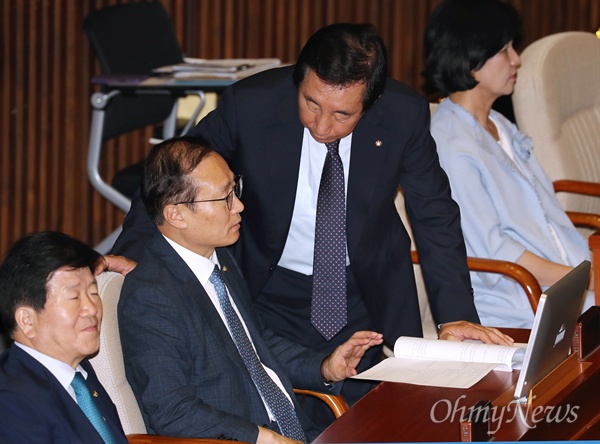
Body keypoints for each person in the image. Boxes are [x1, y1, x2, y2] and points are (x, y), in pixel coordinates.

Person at [112, 23, 513, 423]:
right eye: (311, 104)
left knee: (379, 421)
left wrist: (455, 313)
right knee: (288, 413)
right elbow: (174, 176)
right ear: (299, 81)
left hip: (364, 295)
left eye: (342, 114)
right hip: (268, 292)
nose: (322, 127)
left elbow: (435, 214)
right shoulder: (252, 104)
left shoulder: (402, 114)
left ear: (369, 102)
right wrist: (134, 253)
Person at [118, 136, 383, 443]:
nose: (239, 206)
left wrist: (325, 367)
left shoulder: (221, 260)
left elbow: (259, 344)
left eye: (235, 189)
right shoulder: (151, 297)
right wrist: (260, 437)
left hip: (298, 433)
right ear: (176, 214)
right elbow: (172, 411)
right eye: (224, 198)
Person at [424, 0, 594, 328]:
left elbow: (544, 218)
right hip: (518, 300)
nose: (517, 59)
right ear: (469, 57)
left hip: (560, 282)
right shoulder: (450, 143)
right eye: (504, 49)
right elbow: (495, 250)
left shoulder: (499, 124)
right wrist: (584, 279)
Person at [0, 231, 133, 443]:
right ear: (27, 320)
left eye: (93, 293)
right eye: (73, 297)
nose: (91, 308)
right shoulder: (10, 402)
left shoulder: (81, 374)